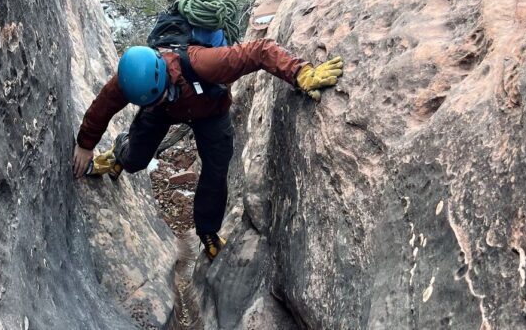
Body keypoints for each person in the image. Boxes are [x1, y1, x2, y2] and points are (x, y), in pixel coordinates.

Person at [72, 40, 343, 260]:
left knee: (215, 170)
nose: (159, 99)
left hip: (209, 110)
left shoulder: (204, 63)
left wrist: (299, 72)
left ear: (164, 73)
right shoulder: (132, 83)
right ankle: (120, 152)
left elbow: (258, 51)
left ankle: (208, 233)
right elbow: (102, 106)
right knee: (135, 160)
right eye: (151, 100)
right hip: (164, 113)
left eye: (161, 93)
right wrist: (85, 144)